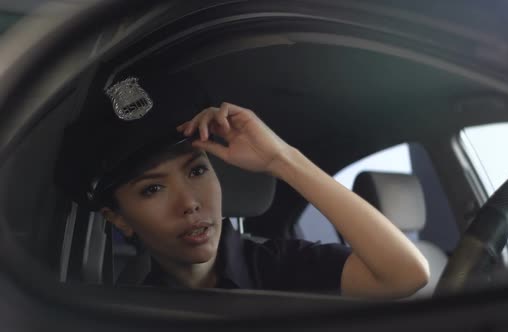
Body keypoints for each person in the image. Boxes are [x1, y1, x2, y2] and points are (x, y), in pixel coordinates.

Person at [55, 71, 429, 298]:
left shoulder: (283, 266)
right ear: (118, 219)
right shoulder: (126, 309)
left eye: (197, 171)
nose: (189, 203)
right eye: (153, 189)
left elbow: (406, 275)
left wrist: (281, 159)